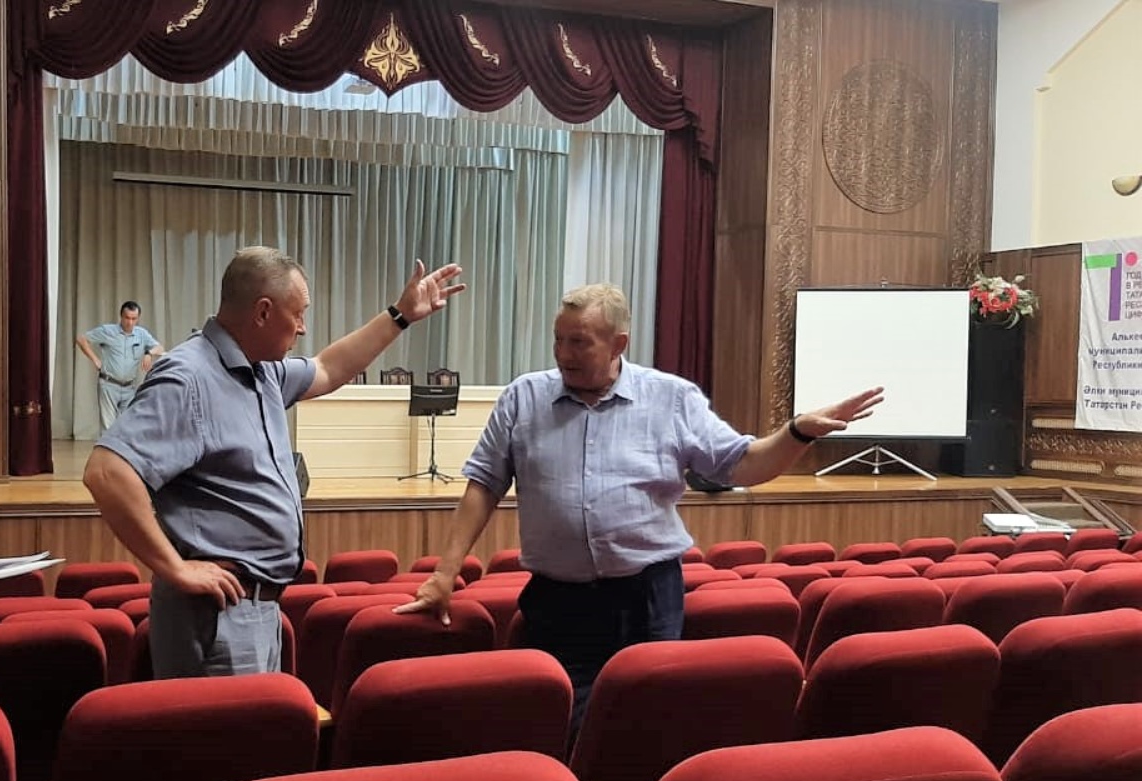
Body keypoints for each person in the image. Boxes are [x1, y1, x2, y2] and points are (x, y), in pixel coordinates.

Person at [395, 284, 883, 727]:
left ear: (619, 344)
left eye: (579, 342)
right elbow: (484, 484)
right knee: (558, 721)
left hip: (646, 597)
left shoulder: (671, 398)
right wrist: (445, 573)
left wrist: (796, 432)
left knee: (641, 721)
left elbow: (743, 465)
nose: (563, 354)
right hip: (558, 602)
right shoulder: (524, 397)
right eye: (558, 340)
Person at [85, 247, 465, 678]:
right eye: (298, 314)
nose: (303, 327)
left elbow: (329, 367)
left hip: (256, 609)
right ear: (263, 312)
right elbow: (107, 472)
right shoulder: (189, 377)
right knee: (222, 725)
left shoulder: (262, 370)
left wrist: (400, 316)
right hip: (216, 615)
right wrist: (174, 568)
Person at [77, 301, 164, 432]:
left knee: (127, 426)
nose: (130, 322)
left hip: (129, 387)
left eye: (134, 319)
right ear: (121, 316)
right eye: (127, 318)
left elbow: (160, 347)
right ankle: (107, 446)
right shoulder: (108, 331)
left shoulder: (142, 334)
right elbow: (81, 339)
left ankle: (122, 447)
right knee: (108, 428)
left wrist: (149, 353)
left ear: (138, 318)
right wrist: (95, 360)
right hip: (109, 385)